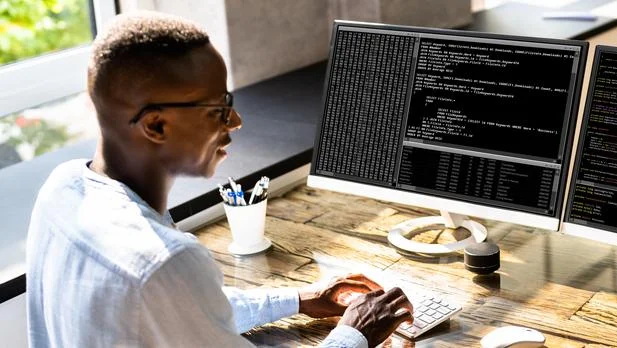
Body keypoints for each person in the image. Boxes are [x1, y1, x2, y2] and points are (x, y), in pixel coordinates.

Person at [26, 11, 412, 348]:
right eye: (219, 109)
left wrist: (299, 298)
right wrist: (356, 332)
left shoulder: (60, 191)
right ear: (156, 125)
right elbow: (169, 288)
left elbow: (183, 311)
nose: (236, 122)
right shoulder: (164, 261)